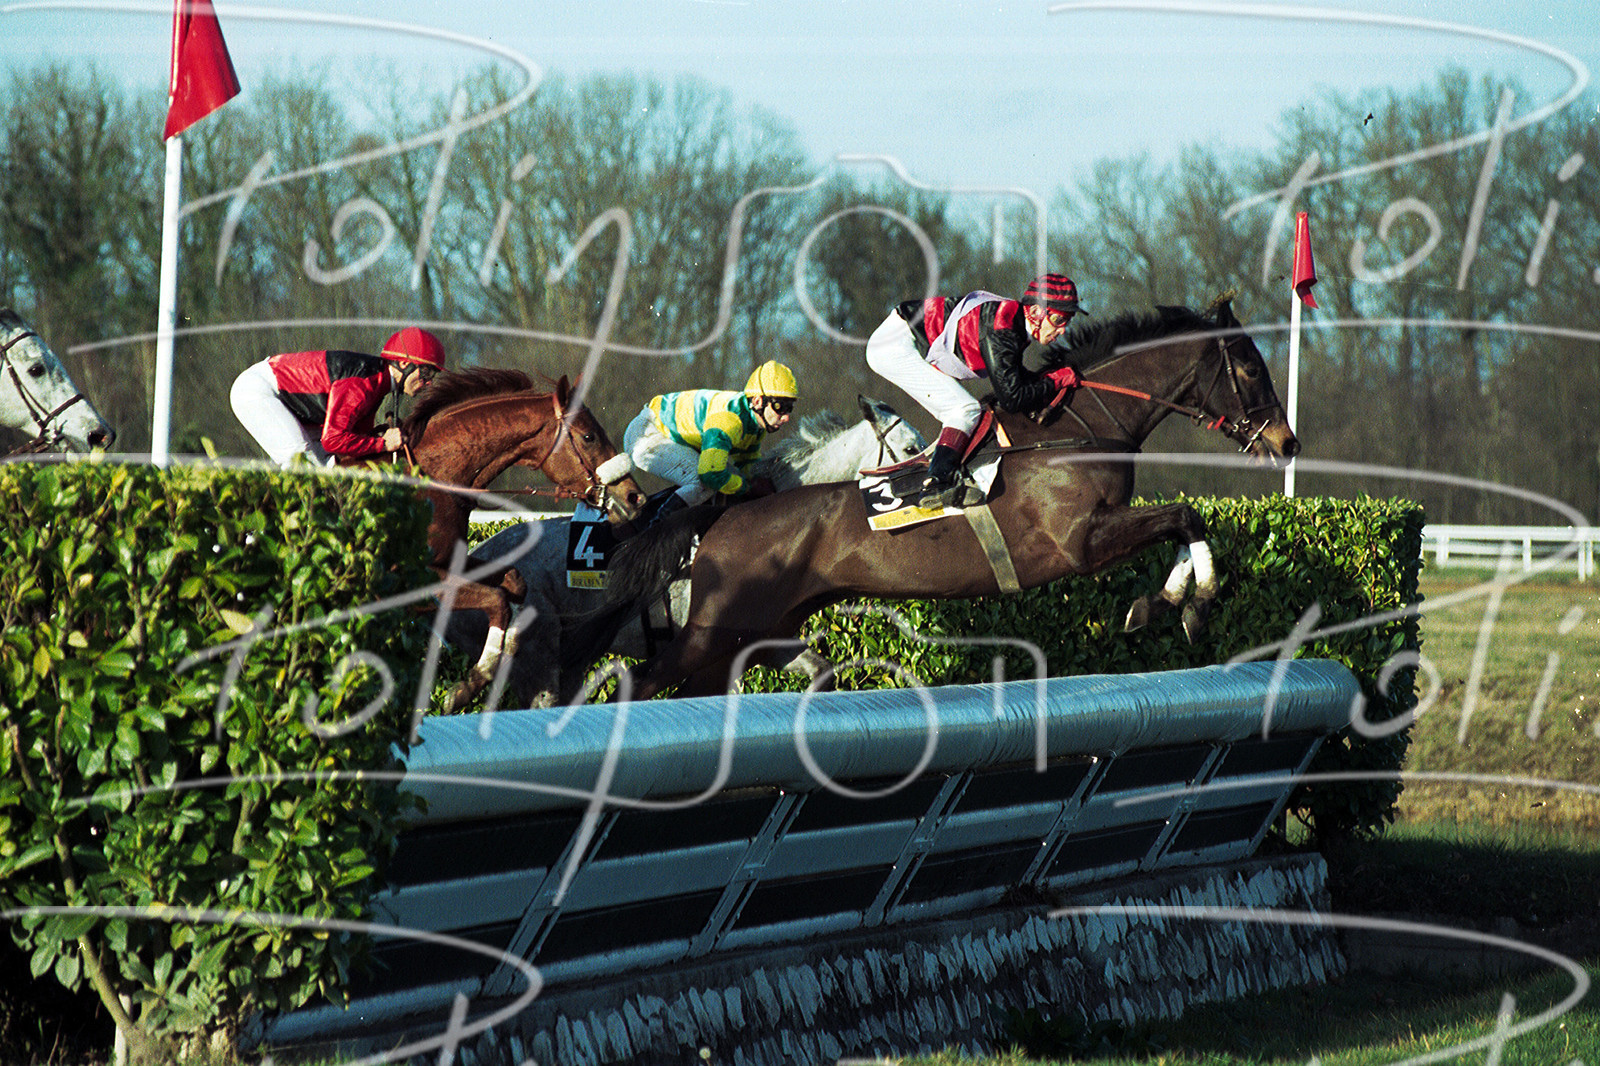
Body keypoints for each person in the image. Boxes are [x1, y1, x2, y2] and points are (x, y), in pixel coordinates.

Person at [866, 273, 1086, 508]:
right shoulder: (1002, 324)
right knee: (964, 409)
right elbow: (1011, 398)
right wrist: (1055, 382)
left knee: (966, 408)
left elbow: (1016, 382)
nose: (1063, 330)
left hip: (902, 339)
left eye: (1067, 321)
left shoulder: (1011, 324)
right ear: (1036, 312)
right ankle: (937, 484)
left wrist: (1051, 380)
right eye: (1059, 320)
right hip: (894, 345)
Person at [230, 327, 446, 466]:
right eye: (426, 373)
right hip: (258, 390)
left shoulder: (378, 385)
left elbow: (354, 440)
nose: (429, 382)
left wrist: (380, 439)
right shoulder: (365, 382)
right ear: (405, 363)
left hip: (286, 400)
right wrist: (383, 444)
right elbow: (333, 440)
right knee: (303, 464)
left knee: (330, 466)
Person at [623, 360, 797, 521]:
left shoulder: (755, 424)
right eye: (780, 406)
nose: (786, 417)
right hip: (646, 435)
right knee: (702, 483)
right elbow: (710, 475)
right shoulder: (730, 421)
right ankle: (656, 530)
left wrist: (755, 481)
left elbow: (747, 464)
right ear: (758, 401)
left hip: (669, 436)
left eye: (789, 408)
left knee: (730, 480)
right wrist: (748, 487)